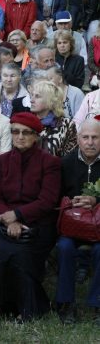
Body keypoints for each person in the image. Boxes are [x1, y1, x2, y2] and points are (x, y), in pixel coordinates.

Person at [0, 112, 61, 323]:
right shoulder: (1, 161)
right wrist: (10, 219)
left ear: (36, 136)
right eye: (15, 132)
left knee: (19, 252)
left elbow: (47, 201)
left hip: (38, 224)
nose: (20, 137)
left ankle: (27, 307)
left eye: (26, 133)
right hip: (5, 222)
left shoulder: (50, 163)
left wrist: (19, 215)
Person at [56, 119, 100, 325]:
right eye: (86, 137)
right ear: (78, 139)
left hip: (99, 226)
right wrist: (70, 202)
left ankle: (96, 302)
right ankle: (66, 302)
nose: (90, 142)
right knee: (64, 247)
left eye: (95, 137)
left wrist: (96, 200)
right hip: (72, 225)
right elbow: (55, 196)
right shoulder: (66, 162)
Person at [30, 79, 77, 157]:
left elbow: (70, 159)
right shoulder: (26, 122)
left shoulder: (67, 125)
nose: (31, 100)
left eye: (37, 96)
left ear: (51, 100)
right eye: (32, 95)